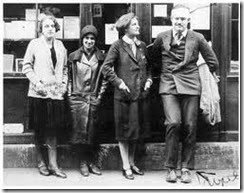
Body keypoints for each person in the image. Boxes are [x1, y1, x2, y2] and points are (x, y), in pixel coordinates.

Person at [152, 4, 219, 183]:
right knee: (173, 122)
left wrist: (210, 76)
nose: (179, 22)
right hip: (169, 85)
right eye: (176, 19)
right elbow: (153, 59)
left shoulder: (197, 37)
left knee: (190, 126)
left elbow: (213, 61)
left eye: (183, 19)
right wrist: (162, 75)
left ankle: (186, 167)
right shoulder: (161, 37)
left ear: (188, 20)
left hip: (190, 85)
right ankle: (170, 168)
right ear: (171, 20)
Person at [102, 13, 152, 180]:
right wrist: (119, 83)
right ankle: (125, 165)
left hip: (140, 96)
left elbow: (149, 68)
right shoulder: (117, 46)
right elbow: (106, 68)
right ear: (125, 28)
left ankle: (132, 163)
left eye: (137, 23)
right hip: (124, 97)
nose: (138, 26)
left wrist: (149, 80)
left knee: (136, 132)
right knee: (124, 133)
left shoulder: (142, 45)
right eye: (134, 24)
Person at [22, 15, 68, 178]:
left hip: (55, 96)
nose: (50, 29)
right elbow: (26, 66)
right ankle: (41, 163)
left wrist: (64, 85)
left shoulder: (61, 45)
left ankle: (54, 165)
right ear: (41, 29)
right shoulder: (34, 44)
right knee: (40, 130)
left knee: (53, 130)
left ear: (56, 28)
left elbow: (64, 69)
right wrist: (37, 83)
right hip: (38, 94)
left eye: (52, 26)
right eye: (46, 26)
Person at [67, 25, 107, 177]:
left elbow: (105, 80)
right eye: (86, 39)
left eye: (92, 39)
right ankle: (82, 162)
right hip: (78, 98)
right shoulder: (73, 57)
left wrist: (99, 97)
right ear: (82, 40)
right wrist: (71, 96)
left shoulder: (101, 57)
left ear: (95, 41)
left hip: (93, 98)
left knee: (93, 133)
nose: (89, 41)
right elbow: (69, 77)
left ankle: (92, 161)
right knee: (79, 133)